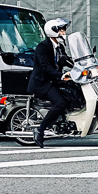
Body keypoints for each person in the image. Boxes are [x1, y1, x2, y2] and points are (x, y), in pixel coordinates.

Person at [28, 18, 72, 147]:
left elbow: (67, 60)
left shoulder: (59, 47)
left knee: (71, 94)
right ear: (53, 31)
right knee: (60, 103)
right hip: (42, 83)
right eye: (61, 30)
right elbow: (46, 67)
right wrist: (61, 75)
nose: (64, 33)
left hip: (53, 80)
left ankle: (63, 123)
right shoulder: (43, 47)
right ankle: (40, 130)